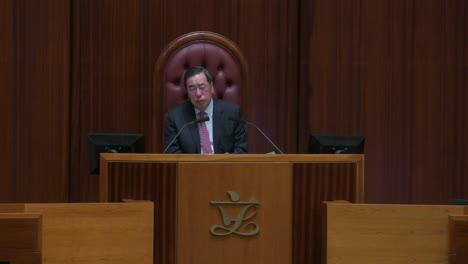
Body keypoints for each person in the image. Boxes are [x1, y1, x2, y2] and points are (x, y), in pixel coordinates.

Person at [164, 66, 248, 154]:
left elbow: (242, 149)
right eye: (192, 89)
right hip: (192, 167)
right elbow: (172, 153)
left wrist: (225, 161)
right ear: (187, 92)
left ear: (211, 87)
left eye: (202, 87)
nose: (198, 94)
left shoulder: (233, 113)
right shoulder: (176, 117)